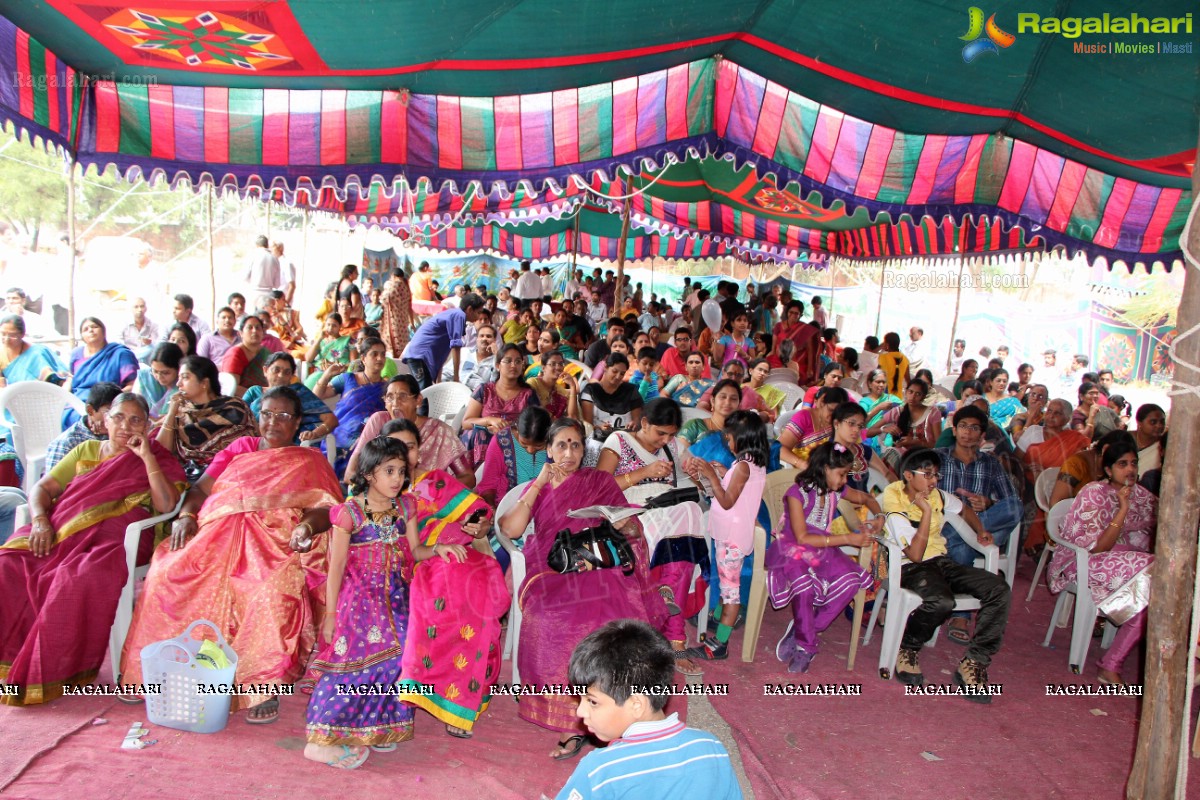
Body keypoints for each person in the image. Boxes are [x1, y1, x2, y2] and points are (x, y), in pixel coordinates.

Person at [123, 388, 340, 721]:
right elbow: (201, 490)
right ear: (257, 417)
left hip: (275, 545)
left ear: (297, 422)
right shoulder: (240, 449)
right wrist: (185, 516)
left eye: (283, 416)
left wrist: (306, 529)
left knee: (267, 591)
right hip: (216, 536)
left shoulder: (309, 460)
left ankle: (263, 684)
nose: (274, 422)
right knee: (167, 575)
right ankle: (162, 675)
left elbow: (327, 509)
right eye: (268, 414)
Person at [498, 418, 668, 760]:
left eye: (576, 445)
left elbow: (632, 530)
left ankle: (620, 710)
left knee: (614, 619)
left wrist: (624, 523)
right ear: (549, 449)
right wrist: (539, 483)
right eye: (561, 444)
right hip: (552, 566)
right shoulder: (539, 485)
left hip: (597, 560)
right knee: (552, 619)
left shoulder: (599, 480)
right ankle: (571, 722)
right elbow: (512, 529)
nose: (569, 452)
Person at [0, 393, 185, 705]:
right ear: (105, 420)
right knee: (7, 564)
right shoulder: (87, 450)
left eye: (135, 419)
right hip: (60, 532)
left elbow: (166, 504)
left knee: (75, 577)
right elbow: (42, 489)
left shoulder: (157, 458)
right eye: (119, 417)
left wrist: (147, 458)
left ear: (147, 425)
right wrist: (42, 521)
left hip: (117, 543)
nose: (126, 426)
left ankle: (50, 671)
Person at [303, 437, 424, 766]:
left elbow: (415, 552)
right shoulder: (350, 513)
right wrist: (330, 615)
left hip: (397, 595)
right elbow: (337, 566)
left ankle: (377, 726)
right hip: (359, 599)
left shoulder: (406, 507)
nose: (397, 478)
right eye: (389, 471)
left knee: (401, 657)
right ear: (369, 473)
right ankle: (322, 737)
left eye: (401, 470)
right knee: (353, 664)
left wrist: (439, 550)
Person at [393, 423, 508, 739]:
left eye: (411, 446)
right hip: (410, 561)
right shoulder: (380, 490)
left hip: (454, 555)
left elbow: (478, 515)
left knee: (471, 587)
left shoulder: (436, 483)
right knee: (450, 584)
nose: (405, 453)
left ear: (420, 450)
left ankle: (459, 700)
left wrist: (479, 528)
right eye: (396, 445)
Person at [555, 619, 742, 799]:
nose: (580, 711)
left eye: (592, 701)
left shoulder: (599, 770)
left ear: (636, 704)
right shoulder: (711, 746)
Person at [880, 448, 1010, 700]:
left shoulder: (937, 495)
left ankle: (974, 662)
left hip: (940, 562)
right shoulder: (894, 498)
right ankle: (908, 646)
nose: (933, 481)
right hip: (909, 566)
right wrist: (927, 512)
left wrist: (980, 530)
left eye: (936, 475)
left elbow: (962, 509)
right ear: (908, 475)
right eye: (927, 474)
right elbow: (916, 554)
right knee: (942, 601)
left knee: (998, 589)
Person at [597, 398, 709, 675]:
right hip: (629, 515)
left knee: (691, 512)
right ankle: (676, 639)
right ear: (644, 423)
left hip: (665, 517)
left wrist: (697, 474)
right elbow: (600, 485)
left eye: (671, 434)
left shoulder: (670, 448)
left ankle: (667, 593)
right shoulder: (619, 441)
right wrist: (644, 473)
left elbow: (689, 478)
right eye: (661, 433)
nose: (666, 440)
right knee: (683, 539)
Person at [1048, 440, 1155, 685]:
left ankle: (1112, 662)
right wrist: (1122, 509)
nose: (1130, 469)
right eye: (1122, 464)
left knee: (1160, 580)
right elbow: (1098, 547)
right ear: (1108, 470)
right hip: (1086, 562)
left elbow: (1160, 518)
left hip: (1125, 560)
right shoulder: (1095, 492)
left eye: (1134, 463)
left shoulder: (1140, 494)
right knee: (1155, 574)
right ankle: (1111, 664)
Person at [766, 443, 878, 672]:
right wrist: (848, 539)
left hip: (823, 549)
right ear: (825, 468)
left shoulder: (836, 491)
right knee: (804, 587)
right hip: (793, 549)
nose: (845, 480)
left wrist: (881, 517)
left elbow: (867, 498)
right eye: (841, 474)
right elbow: (803, 537)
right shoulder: (797, 494)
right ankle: (807, 646)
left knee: (851, 582)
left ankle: (803, 629)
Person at [684, 411, 768, 661]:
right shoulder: (751, 463)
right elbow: (737, 492)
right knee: (726, 583)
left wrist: (711, 476)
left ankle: (719, 643)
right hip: (734, 535)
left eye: (730, 440)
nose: (728, 444)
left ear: (742, 439)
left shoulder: (743, 466)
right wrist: (722, 473)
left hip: (731, 538)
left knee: (730, 590)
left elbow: (728, 500)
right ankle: (720, 618)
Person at [934, 405, 1020, 642]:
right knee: (962, 545)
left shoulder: (991, 463)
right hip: (944, 525)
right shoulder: (938, 458)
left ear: (982, 434)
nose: (967, 433)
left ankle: (957, 540)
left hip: (980, 531)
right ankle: (961, 616)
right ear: (954, 430)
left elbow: (1010, 501)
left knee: (1014, 507)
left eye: (974, 428)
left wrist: (989, 503)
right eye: (963, 426)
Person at [156, 355, 259, 482]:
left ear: (204, 383)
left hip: (230, 477)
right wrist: (171, 413)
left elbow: (246, 451)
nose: (178, 384)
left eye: (185, 377)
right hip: (184, 477)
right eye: (179, 378)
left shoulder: (233, 409)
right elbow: (161, 450)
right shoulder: (181, 410)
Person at [314, 337, 389, 476]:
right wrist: (327, 375)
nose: (380, 358)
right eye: (374, 354)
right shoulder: (348, 379)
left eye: (383, 354)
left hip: (369, 438)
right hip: (340, 433)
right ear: (363, 358)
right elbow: (317, 396)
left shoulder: (387, 387)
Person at [460, 343, 541, 467]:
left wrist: (509, 430)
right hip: (481, 440)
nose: (513, 365)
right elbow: (466, 423)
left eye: (518, 361)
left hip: (514, 440)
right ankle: (477, 477)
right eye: (508, 361)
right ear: (498, 365)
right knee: (480, 433)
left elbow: (535, 425)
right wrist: (489, 421)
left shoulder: (528, 394)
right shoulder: (484, 390)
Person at [243, 352, 338, 441]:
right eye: (276, 370)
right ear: (265, 370)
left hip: (290, 445)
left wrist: (314, 434)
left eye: (287, 372)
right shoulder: (254, 392)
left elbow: (331, 420)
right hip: (254, 443)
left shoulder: (299, 392)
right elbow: (239, 417)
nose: (281, 375)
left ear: (292, 376)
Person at [402, 294, 486, 391]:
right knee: (424, 394)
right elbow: (456, 347)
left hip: (420, 355)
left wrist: (439, 378)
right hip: (420, 355)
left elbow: (443, 351)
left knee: (426, 392)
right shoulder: (459, 315)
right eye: (478, 312)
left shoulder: (453, 314)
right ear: (470, 309)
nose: (479, 316)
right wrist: (456, 376)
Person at [64, 317, 139, 426]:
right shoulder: (76, 354)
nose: (90, 330)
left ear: (104, 332)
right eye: (86, 329)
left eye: (95, 327)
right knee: (66, 415)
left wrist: (114, 402)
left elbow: (133, 384)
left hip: (109, 402)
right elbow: (70, 378)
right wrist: (63, 399)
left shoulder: (120, 354)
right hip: (78, 401)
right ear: (82, 337)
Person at [476, 405, 550, 507]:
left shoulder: (556, 443)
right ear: (517, 430)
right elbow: (488, 485)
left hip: (545, 507)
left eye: (539, 446)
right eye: (524, 444)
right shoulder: (502, 441)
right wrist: (492, 509)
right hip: (507, 506)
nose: (530, 450)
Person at [44, 382, 121, 475]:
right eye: (108, 411)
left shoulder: (120, 436)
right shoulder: (68, 442)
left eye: (119, 414)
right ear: (90, 410)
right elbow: (52, 486)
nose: (114, 418)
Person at [864, 379, 941, 472]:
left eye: (918, 394)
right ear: (906, 392)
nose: (912, 397)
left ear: (923, 397)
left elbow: (939, 445)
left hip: (926, 459)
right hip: (901, 457)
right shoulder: (897, 412)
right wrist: (883, 429)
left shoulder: (932, 413)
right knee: (890, 456)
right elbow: (868, 433)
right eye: (911, 392)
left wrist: (915, 442)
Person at [580, 352, 644, 449]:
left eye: (622, 373)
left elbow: (637, 419)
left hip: (626, 438)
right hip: (598, 440)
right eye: (614, 371)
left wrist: (634, 423)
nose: (618, 376)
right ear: (605, 367)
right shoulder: (590, 391)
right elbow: (587, 425)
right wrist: (599, 428)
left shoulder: (631, 391)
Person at [777, 386, 850, 470]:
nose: (834, 416)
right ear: (822, 402)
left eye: (838, 413)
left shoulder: (839, 421)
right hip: (803, 470)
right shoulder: (803, 417)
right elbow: (779, 448)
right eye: (831, 410)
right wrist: (801, 463)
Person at [0, 314, 64, 387]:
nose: (7, 339)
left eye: (12, 335)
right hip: (13, 394)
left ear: (22, 334)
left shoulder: (37, 353)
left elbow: (50, 381)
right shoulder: (1, 355)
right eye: (3, 334)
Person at [220, 314, 269, 398]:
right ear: (240, 333)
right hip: (242, 401)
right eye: (250, 327)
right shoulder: (235, 354)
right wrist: (257, 397)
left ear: (263, 333)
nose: (254, 331)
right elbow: (232, 387)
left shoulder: (266, 353)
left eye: (258, 328)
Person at [304, 313, 353, 389]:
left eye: (334, 325)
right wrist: (320, 338)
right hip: (320, 372)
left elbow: (354, 363)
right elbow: (308, 358)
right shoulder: (322, 341)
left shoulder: (348, 340)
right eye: (328, 325)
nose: (330, 328)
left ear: (340, 326)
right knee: (314, 380)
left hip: (339, 373)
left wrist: (335, 366)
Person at [858, 368, 902, 454]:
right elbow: (861, 423)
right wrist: (878, 408)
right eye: (878, 382)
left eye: (884, 382)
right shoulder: (864, 402)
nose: (881, 385)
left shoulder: (892, 399)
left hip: (890, 436)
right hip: (868, 438)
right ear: (870, 384)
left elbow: (903, 412)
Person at [134, 341, 182, 418]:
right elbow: (135, 408)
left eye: (165, 373)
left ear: (178, 369)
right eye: (155, 371)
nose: (159, 377)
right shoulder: (145, 378)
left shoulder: (184, 385)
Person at [529, 350, 581, 420]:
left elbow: (573, 417)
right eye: (553, 364)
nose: (558, 367)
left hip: (555, 428)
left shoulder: (562, 392)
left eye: (560, 364)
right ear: (543, 368)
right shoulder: (533, 383)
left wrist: (572, 386)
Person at [378, 267, 414, 358]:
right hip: (403, 321)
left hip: (393, 320)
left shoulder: (395, 285)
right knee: (401, 344)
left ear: (393, 276)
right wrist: (412, 322)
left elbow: (384, 298)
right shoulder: (406, 287)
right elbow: (410, 307)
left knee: (391, 344)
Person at [243, 234, 283, 305]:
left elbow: (245, 277)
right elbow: (277, 284)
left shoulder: (252, 256)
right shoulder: (275, 258)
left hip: (254, 293)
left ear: (256, 245)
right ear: (267, 245)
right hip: (269, 294)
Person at [1131, 404, 1166, 478]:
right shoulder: (1126, 438)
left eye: (1162, 422)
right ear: (1139, 423)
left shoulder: (1164, 444)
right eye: (1153, 422)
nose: (1159, 426)